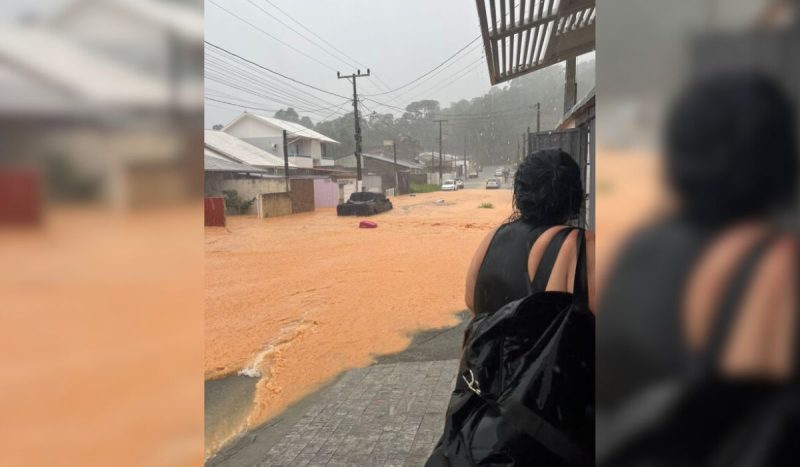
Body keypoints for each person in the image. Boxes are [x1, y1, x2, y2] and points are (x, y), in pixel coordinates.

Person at [466, 149, 595, 317]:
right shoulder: (582, 245)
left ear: (520, 192)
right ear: (575, 195)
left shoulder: (492, 237)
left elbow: (471, 301)